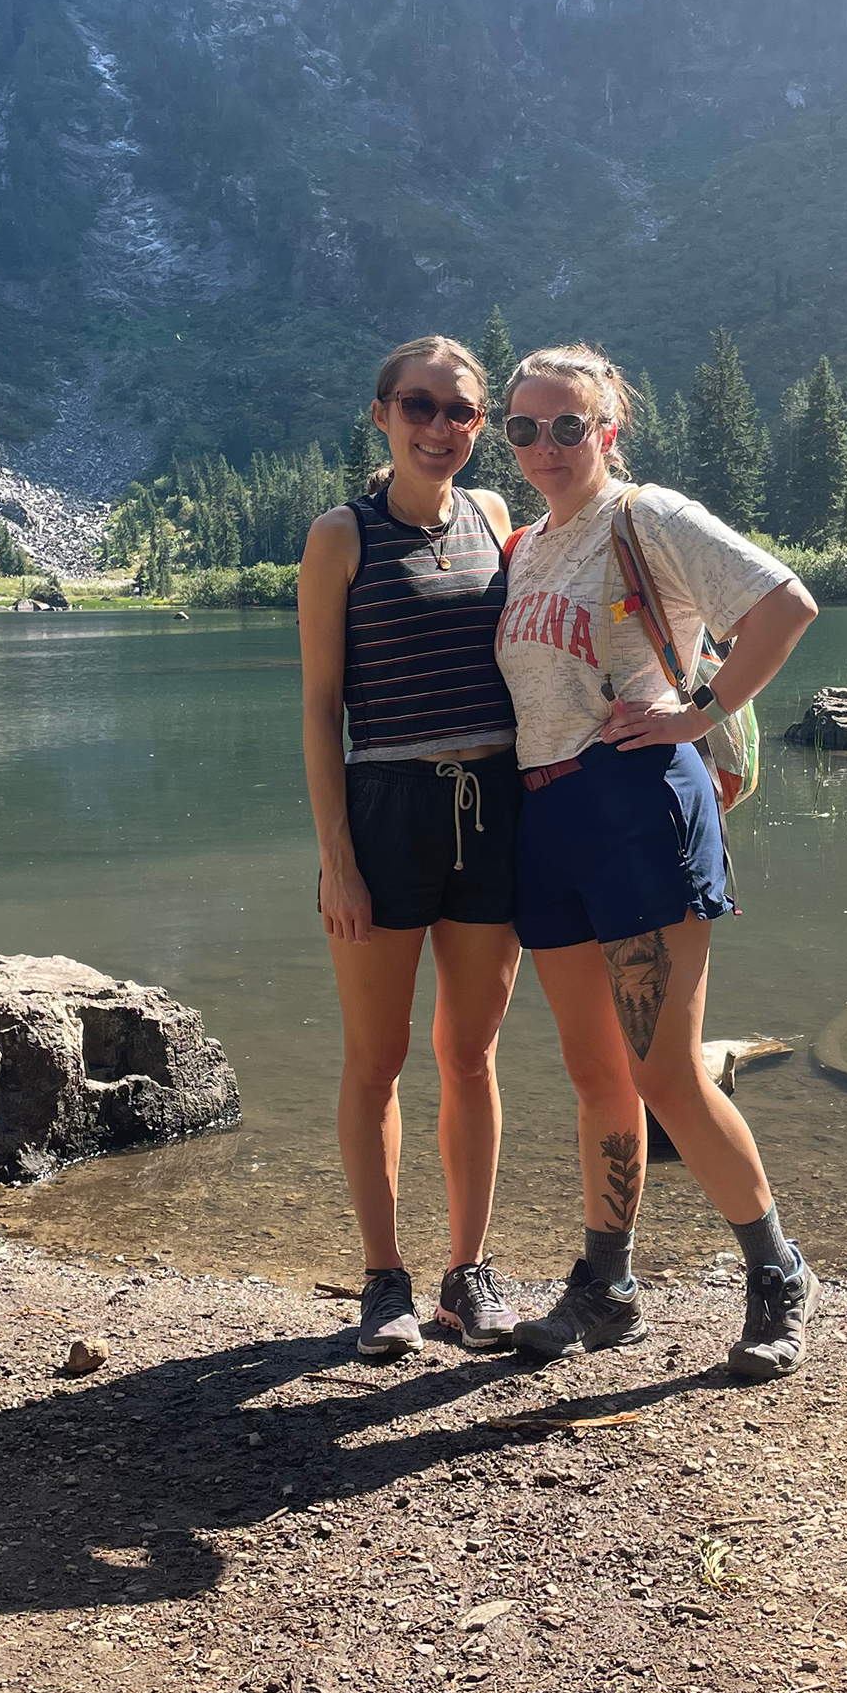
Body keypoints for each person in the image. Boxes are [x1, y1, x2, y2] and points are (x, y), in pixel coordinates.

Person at [493, 343, 822, 1380]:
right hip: (546, 814)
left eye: (566, 424)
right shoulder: (528, 544)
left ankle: (777, 1272)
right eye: (524, 427)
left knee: (665, 1070)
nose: (544, 445)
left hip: (637, 801)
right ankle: (608, 1287)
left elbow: (785, 606)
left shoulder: (651, 518)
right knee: (597, 1073)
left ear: (607, 428)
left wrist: (702, 712)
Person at [298, 336, 523, 1362]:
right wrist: (336, 856)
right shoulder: (341, 537)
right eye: (420, 405)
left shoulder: (494, 518)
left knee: (469, 1055)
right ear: (381, 412)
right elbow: (319, 708)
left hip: (493, 808)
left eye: (463, 411)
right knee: (376, 1059)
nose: (441, 427)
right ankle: (382, 1279)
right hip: (384, 804)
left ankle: (466, 1276)